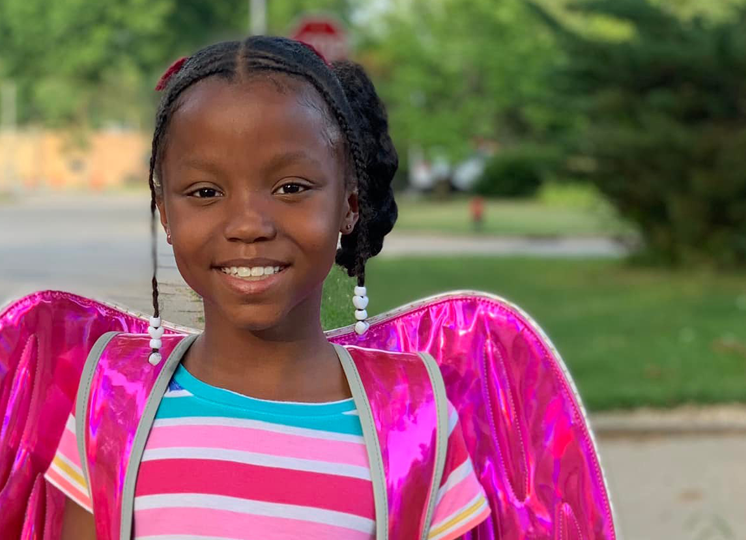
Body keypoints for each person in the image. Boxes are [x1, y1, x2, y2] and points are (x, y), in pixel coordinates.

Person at [44, 36, 490, 539]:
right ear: (165, 213)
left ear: (350, 203)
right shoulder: (111, 407)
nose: (249, 224)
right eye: (205, 192)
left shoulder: (415, 422)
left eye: (291, 188)